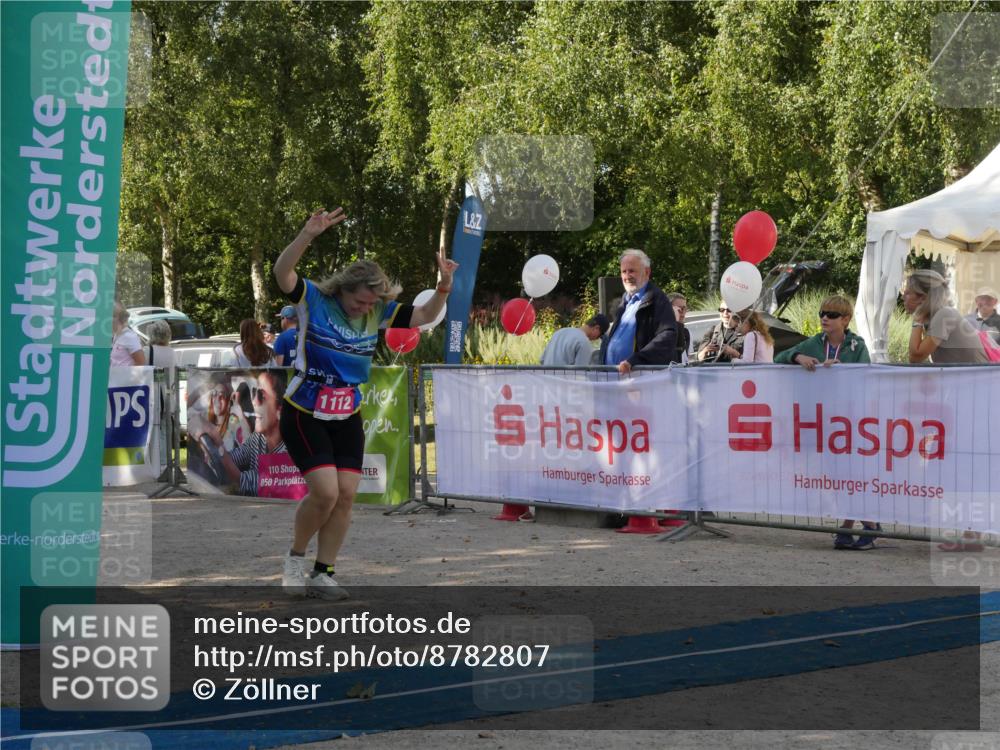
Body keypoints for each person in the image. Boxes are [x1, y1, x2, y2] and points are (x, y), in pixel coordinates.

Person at [273, 205, 458, 599]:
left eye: (371, 304)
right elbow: (281, 274)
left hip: (347, 414)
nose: (364, 309)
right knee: (324, 493)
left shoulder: (379, 311)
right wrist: (308, 234)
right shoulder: (314, 301)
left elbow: (425, 314)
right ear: (342, 290)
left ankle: (323, 573)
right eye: (359, 302)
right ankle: (294, 558)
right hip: (305, 412)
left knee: (347, 495)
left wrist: (443, 287)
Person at [775, 295, 875, 549]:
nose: (824, 318)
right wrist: (798, 357)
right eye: (822, 313)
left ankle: (854, 528)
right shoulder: (815, 342)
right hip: (825, 422)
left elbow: (864, 375)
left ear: (846, 319)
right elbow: (780, 356)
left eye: (831, 314)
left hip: (850, 421)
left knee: (848, 476)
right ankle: (865, 527)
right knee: (836, 476)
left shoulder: (857, 345)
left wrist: (839, 372)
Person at [599, 248, 679, 374]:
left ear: (647, 272)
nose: (627, 276)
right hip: (613, 379)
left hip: (637, 381)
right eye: (623, 271)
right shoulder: (625, 301)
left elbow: (667, 336)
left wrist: (635, 361)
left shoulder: (657, 299)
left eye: (631, 271)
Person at [903, 270, 988, 364]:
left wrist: (917, 319)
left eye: (907, 293)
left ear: (923, 298)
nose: (903, 297)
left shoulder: (944, 314)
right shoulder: (937, 316)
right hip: (971, 376)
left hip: (980, 377)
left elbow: (915, 358)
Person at [540, 314, 609, 366]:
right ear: (596, 328)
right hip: (565, 383)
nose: (596, 339)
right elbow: (580, 372)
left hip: (547, 381)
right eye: (599, 336)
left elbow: (542, 360)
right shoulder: (584, 342)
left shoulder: (559, 332)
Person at [110, 301, 146, 367]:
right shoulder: (116, 335)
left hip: (124, 377)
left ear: (117, 318)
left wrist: (126, 375)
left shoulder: (129, 336)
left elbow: (141, 363)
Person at [667, 293, 690, 364]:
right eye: (679, 309)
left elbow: (685, 356)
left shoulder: (686, 332)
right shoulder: (662, 331)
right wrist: (677, 321)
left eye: (685, 308)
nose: (683, 312)